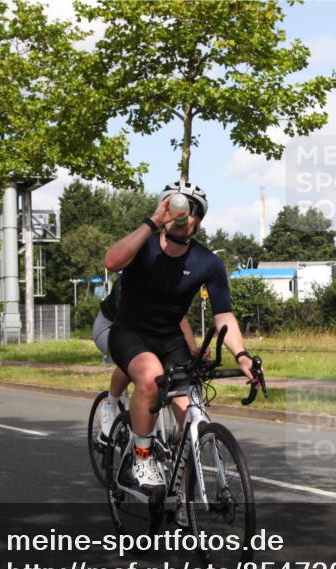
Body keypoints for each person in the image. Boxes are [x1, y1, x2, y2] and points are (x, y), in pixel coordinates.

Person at [103, 180, 260, 492]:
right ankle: (142, 457)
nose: (181, 216)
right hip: (130, 333)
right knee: (150, 377)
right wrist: (151, 222)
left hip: (169, 340)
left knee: (192, 419)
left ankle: (182, 506)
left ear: (198, 221)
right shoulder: (144, 244)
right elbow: (111, 261)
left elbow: (223, 315)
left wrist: (242, 356)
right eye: (175, 208)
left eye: (190, 212)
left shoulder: (208, 262)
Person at [92, 275, 201, 441]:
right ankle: (110, 405)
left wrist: (193, 348)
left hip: (149, 330)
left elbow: (180, 320)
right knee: (134, 359)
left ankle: (184, 447)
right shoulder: (129, 279)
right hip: (112, 326)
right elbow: (128, 327)